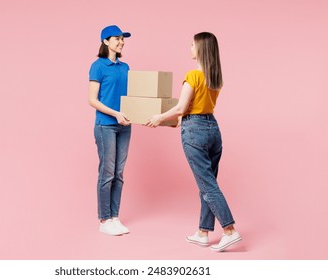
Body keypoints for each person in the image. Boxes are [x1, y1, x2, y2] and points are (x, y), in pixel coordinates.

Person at [146, 32, 241, 251]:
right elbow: (194, 107)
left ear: (200, 49)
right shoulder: (215, 77)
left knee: (207, 185)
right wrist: (180, 119)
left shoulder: (193, 75)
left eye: (192, 44)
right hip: (212, 129)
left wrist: (158, 117)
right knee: (208, 183)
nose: (189, 47)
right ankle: (203, 232)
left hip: (195, 130)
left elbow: (181, 107)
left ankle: (229, 230)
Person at [88, 25, 132, 236]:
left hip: (124, 125)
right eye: (117, 38)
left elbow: (132, 97)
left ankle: (115, 217)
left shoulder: (125, 67)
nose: (121, 42)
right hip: (105, 125)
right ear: (106, 41)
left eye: (122, 39)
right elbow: (92, 100)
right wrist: (115, 113)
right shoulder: (98, 66)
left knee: (119, 173)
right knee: (107, 173)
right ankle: (104, 219)